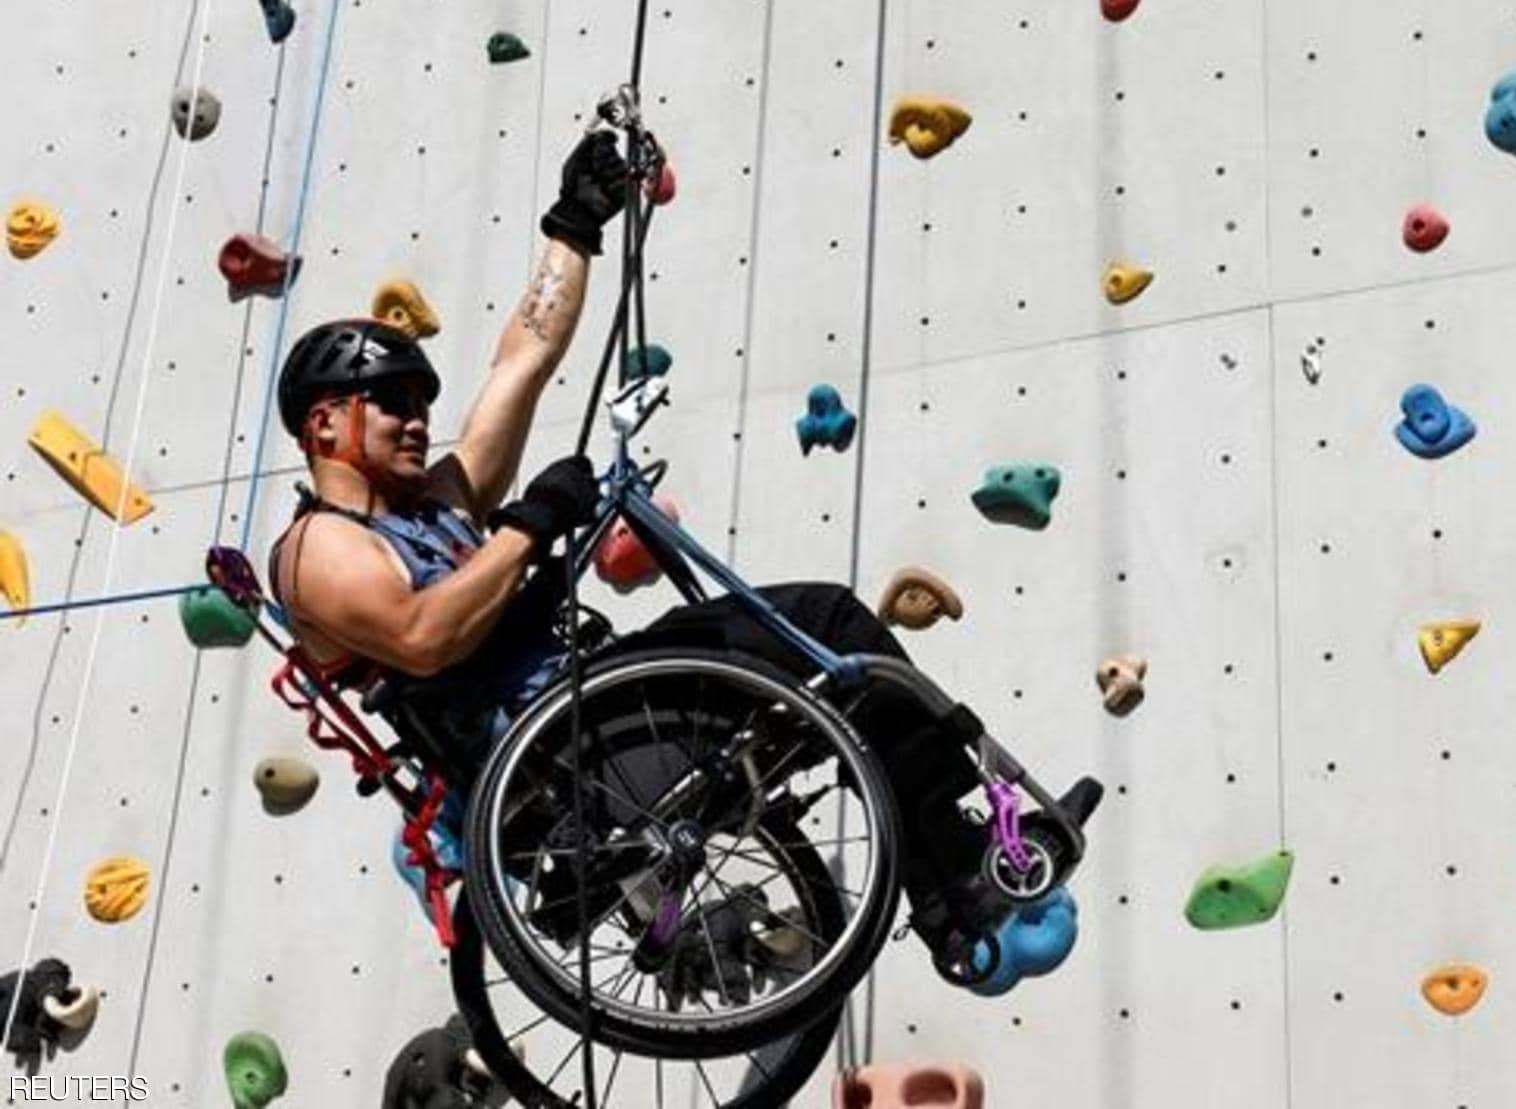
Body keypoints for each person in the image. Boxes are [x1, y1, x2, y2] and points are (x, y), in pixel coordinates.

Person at [266, 125, 1000, 967]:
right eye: (390, 400)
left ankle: (954, 871)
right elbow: (424, 638)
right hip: (560, 755)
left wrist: (573, 225)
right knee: (825, 629)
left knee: (831, 629)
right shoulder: (316, 548)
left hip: (601, 705)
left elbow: (525, 356)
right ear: (325, 421)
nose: (417, 416)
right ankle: (951, 883)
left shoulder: (438, 501)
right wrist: (529, 522)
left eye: (419, 398)